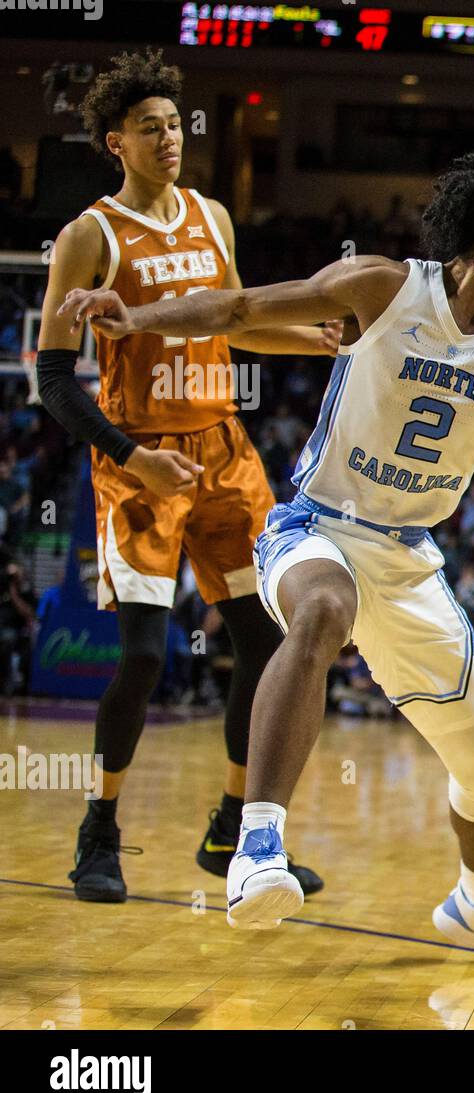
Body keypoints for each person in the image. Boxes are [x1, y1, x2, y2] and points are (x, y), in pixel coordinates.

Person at [63, 125, 474, 968]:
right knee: (320, 610)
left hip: (410, 557)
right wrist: (135, 316)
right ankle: (256, 848)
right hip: (315, 525)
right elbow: (240, 311)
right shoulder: (382, 286)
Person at [37, 49, 335, 904]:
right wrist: (133, 458)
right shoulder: (89, 236)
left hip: (224, 457)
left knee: (266, 640)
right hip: (138, 462)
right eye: (150, 128)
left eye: (175, 124)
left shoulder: (211, 214)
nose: (169, 138)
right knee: (141, 656)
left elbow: (238, 322)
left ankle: (234, 830)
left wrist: (313, 339)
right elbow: (54, 380)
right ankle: (100, 831)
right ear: (114, 142)